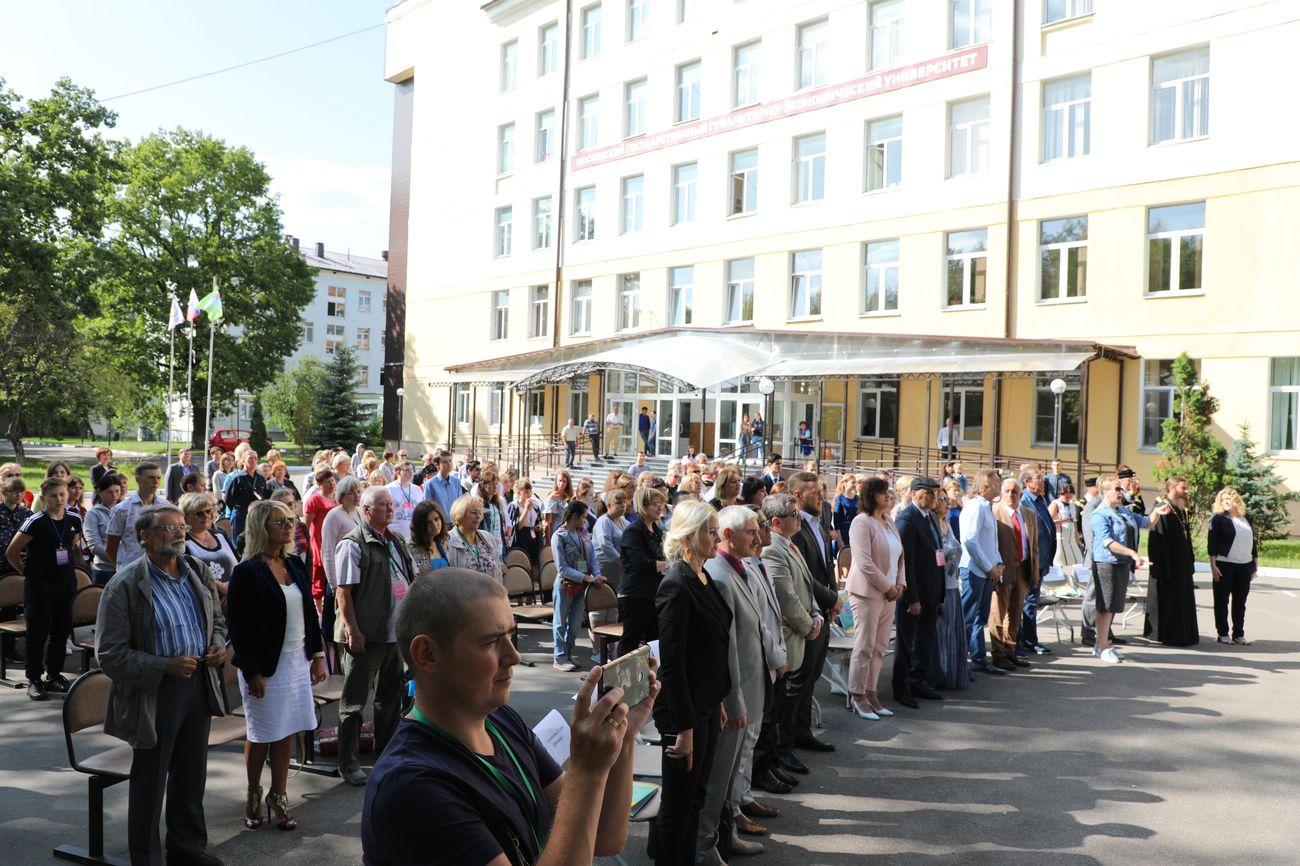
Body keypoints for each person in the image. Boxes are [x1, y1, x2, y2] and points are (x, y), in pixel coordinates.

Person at [361, 569, 657, 866]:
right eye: (491, 641)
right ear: (427, 654)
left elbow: (603, 837)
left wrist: (623, 736)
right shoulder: (410, 788)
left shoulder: (501, 721)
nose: (514, 656)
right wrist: (586, 770)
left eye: (510, 635)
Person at [95, 503, 229, 866]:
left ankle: (187, 849)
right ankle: (146, 857)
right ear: (145, 537)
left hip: (198, 683)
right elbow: (109, 655)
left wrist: (218, 644)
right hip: (154, 691)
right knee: (150, 781)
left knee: (191, 774)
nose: (180, 534)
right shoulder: (125, 585)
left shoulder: (197, 571)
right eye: (169, 528)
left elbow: (217, 620)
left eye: (181, 527)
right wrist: (163, 666)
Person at [227, 499, 327, 831]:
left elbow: (310, 615)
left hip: (297, 660)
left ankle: (279, 795)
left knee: (288, 729)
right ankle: (254, 792)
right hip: (265, 665)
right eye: (279, 522)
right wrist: (251, 671)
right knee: (262, 733)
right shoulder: (246, 572)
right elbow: (239, 628)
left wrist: (317, 656)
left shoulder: (295, 563)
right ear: (261, 528)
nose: (288, 527)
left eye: (289, 521)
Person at [652, 500, 731, 866]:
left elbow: (711, 648)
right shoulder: (676, 584)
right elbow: (672, 663)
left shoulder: (703, 575)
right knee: (677, 806)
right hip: (683, 714)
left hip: (706, 705)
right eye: (710, 532)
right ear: (688, 537)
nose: (717, 538)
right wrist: (684, 728)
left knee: (697, 798)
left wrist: (719, 701)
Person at [697, 506, 774, 860]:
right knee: (719, 778)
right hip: (734, 694)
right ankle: (707, 846)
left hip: (748, 688)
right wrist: (733, 699)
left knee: (731, 775)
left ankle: (725, 835)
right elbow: (725, 647)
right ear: (728, 535)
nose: (758, 538)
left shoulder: (741, 568)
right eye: (751, 532)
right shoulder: (720, 574)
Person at [334, 485, 416, 786]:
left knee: (389, 700)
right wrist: (353, 631)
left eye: (391, 504)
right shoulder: (353, 544)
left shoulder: (395, 540)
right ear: (367, 511)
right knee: (354, 704)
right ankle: (348, 763)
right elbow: (343, 593)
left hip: (394, 634)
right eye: (384, 504)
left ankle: (386, 757)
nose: (391, 509)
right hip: (366, 636)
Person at [757, 493, 818, 792]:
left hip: (801, 630)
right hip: (788, 634)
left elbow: (806, 585)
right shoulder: (772, 550)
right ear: (777, 521)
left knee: (785, 702)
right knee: (776, 708)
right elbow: (786, 597)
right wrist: (808, 626)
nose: (800, 518)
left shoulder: (790, 544)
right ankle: (771, 762)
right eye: (795, 514)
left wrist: (816, 614)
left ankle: (777, 758)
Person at [5, 478, 83, 699]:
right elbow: (12, 551)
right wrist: (24, 570)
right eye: (53, 496)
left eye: (62, 494)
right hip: (40, 586)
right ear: (43, 498)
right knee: (37, 633)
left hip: (66, 584)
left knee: (61, 631)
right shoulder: (35, 521)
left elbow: (72, 542)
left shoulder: (74, 518)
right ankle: (34, 678)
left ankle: (54, 675)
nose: (59, 499)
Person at [1089, 474, 1168, 664]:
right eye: (1117, 489)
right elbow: (1108, 542)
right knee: (1105, 606)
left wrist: (1157, 512)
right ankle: (1102, 646)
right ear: (1104, 491)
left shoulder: (1122, 509)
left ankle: (1101, 644)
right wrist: (1132, 553)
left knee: (1114, 605)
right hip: (1106, 563)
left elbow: (1146, 522)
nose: (1121, 492)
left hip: (1122, 563)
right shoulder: (1099, 514)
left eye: (1121, 489)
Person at [787, 471, 839, 752]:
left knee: (811, 677)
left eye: (821, 490)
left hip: (824, 609)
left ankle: (801, 731)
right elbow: (805, 577)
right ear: (797, 496)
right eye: (814, 492)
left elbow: (827, 564)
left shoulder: (821, 519)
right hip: (808, 612)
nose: (821, 496)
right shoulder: (796, 528)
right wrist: (831, 599)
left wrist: (833, 597)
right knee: (799, 679)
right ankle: (785, 741)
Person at [844, 477, 904, 719]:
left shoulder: (889, 521)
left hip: (890, 594)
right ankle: (857, 694)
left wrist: (900, 584)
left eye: (888, 491)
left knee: (880, 647)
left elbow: (900, 557)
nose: (888, 495)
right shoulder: (861, 522)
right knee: (865, 646)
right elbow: (864, 563)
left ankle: (871, 692)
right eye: (883, 492)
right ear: (871, 496)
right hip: (868, 593)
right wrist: (888, 587)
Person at [892, 477, 946, 708]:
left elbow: (938, 554)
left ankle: (919, 682)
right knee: (907, 643)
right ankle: (902, 688)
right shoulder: (907, 519)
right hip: (915, 594)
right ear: (914, 494)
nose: (934, 497)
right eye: (928, 493)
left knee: (925, 641)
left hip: (931, 592)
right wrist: (911, 598)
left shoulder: (930, 517)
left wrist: (940, 594)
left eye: (935, 493)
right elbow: (906, 563)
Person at [959, 469, 1006, 675]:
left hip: (986, 572)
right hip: (974, 571)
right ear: (984, 485)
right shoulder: (975, 507)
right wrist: (989, 567)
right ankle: (960, 664)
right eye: (996, 482)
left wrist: (999, 563)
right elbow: (970, 541)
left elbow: (990, 542)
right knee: (967, 620)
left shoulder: (987, 507)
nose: (999, 485)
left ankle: (978, 659)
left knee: (980, 618)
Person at [1144, 477, 1200, 646]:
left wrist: (1190, 561)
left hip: (1182, 563)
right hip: (1168, 563)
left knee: (1182, 599)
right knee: (1170, 600)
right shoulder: (1162, 507)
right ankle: (1170, 634)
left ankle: (1184, 633)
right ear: (1171, 488)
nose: (1186, 491)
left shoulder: (1181, 509)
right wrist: (1162, 566)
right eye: (1183, 488)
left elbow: (1186, 537)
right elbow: (1157, 539)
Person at [614, 486, 668, 657]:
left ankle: (650, 673)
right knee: (630, 641)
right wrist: (668, 564)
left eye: (661, 504)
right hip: (635, 595)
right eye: (655, 504)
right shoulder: (633, 531)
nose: (660, 508)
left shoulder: (657, 530)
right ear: (643, 506)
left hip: (653, 594)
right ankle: (620, 674)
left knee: (654, 641)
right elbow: (642, 564)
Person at [551, 500, 604, 672]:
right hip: (565, 586)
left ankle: (568, 653)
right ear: (574, 516)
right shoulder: (559, 536)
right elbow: (562, 568)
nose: (585, 521)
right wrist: (586, 578)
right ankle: (559, 657)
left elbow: (592, 559)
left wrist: (596, 575)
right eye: (583, 517)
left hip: (582, 586)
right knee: (560, 623)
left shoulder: (583, 534)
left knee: (574, 624)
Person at [991, 478, 1036, 671]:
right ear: (1002, 493)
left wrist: (1034, 572)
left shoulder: (1029, 514)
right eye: (1007, 491)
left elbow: (1034, 545)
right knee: (998, 614)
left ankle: (1010, 651)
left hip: (1023, 569)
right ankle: (998, 654)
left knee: (1015, 614)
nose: (1011, 495)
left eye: (1015, 491)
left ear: (1021, 494)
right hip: (1002, 570)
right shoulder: (994, 512)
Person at [931, 488, 971, 690]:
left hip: (953, 585)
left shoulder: (946, 523)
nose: (947, 503)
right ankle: (940, 674)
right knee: (942, 632)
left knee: (952, 632)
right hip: (941, 586)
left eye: (947, 499)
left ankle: (953, 672)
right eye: (942, 499)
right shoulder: (931, 525)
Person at [1208, 486, 1257, 646]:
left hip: (1244, 566)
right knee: (1222, 601)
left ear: (1236, 499)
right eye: (1222, 500)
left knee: (1240, 602)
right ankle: (1223, 634)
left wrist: (1254, 565)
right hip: (1224, 565)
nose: (1225, 502)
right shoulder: (1218, 518)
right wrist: (1213, 565)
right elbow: (1212, 544)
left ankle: (1238, 634)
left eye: (1228, 498)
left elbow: (1252, 542)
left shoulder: (1246, 518)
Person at [1018, 469, 1056, 656]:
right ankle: (1027, 641)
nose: (1043, 481)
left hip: (1041, 561)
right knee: (1028, 602)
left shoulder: (1040, 500)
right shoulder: (1023, 502)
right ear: (1027, 482)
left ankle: (1028, 639)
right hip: (1029, 562)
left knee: (1032, 601)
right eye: (1038, 478)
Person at [107, 462, 167, 572]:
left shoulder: (166, 507)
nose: (156, 482)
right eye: (151, 478)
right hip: (131, 570)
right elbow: (111, 548)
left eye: (159, 478)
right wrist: (122, 572)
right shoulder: (122, 509)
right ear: (138, 480)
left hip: (160, 570)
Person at [181, 492, 239, 605]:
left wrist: (230, 589)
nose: (206, 516)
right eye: (199, 513)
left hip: (235, 597)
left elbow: (238, 565)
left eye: (208, 511)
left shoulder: (220, 534)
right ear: (186, 517)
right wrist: (223, 588)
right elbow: (191, 574)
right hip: (207, 603)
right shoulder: (183, 542)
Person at [447, 494, 505, 580]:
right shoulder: (449, 540)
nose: (478, 516)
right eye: (473, 513)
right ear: (460, 515)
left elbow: (498, 572)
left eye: (480, 513)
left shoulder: (488, 537)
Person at [86, 473, 124, 586]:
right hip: (104, 571)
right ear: (100, 492)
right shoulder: (93, 514)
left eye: (117, 491)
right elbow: (94, 545)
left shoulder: (125, 509)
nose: (114, 495)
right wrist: (116, 558)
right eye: (109, 492)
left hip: (126, 567)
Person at [223, 451, 269, 541]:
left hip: (256, 515)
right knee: (239, 542)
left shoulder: (260, 479)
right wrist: (239, 509)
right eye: (250, 458)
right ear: (243, 461)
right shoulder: (236, 478)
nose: (253, 460)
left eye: (255, 458)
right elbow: (228, 499)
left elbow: (264, 496)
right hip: (240, 515)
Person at [506, 478, 545, 566]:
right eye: (526, 492)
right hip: (521, 538)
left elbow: (537, 519)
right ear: (519, 493)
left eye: (530, 491)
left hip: (534, 537)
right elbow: (518, 527)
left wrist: (537, 526)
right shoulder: (514, 506)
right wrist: (526, 509)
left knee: (534, 563)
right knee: (523, 563)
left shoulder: (534, 503)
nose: (529, 494)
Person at [1049, 483, 1084, 577]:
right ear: (1061, 494)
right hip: (1061, 538)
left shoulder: (1072, 505)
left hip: (1071, 538)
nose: (1069, 499)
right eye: (1067, 497)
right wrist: (1064, 520)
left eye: (1070, 496)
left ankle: (1074, 580)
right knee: (1062, 562)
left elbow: (1074, 522)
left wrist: (1077, 539)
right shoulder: (1055, 504)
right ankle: (1062, 579)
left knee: (1078, 560)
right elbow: (1048, 521)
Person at [409, 499, 452, 576]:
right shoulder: (413, 549)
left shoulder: (442, 542)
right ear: (420, 525)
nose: (434, 525)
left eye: (436, 519)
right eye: (428, 522)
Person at [0, 476, 32, 577]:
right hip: (2, 564)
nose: (19, 494)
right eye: (15, 491)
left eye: (22, 491)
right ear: (3, 492)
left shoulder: (28, 514)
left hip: (23, 562)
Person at [422, 453, 460, 525]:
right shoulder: (430, 484)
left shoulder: (456, 482)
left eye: (450, 461)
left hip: (455, 524)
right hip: (439, 525)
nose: (449, 464)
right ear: (437, 465)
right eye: (445, 462)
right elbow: (427, 508)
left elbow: (459, 503)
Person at [543, 469, 574, 542]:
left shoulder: (569, 496)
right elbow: (547, 523)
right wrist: (548, 542)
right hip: (555, 531)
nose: (561, 483)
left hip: (567, 532)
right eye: (560, 481)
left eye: (564, 481)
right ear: (556, 481)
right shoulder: (552, 497)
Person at [832, 475, 858, 551]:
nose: (855, 485)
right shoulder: (839, 498)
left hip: (855, 530)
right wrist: (839, 539)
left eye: (855, 482)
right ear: (845, 483)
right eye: (852, 482)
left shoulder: (857, 498)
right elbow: (836, 520)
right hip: (843, 532)